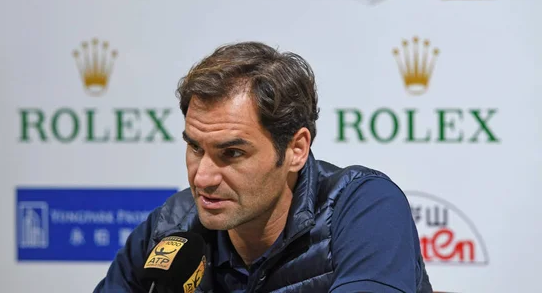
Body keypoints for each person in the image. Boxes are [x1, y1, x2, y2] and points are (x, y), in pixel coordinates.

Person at [93, 41, 433, 293]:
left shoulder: (363, 207)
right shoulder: (171, 227)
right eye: (195, 147)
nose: (202, 177)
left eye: (232, 153)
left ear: (296, 150)